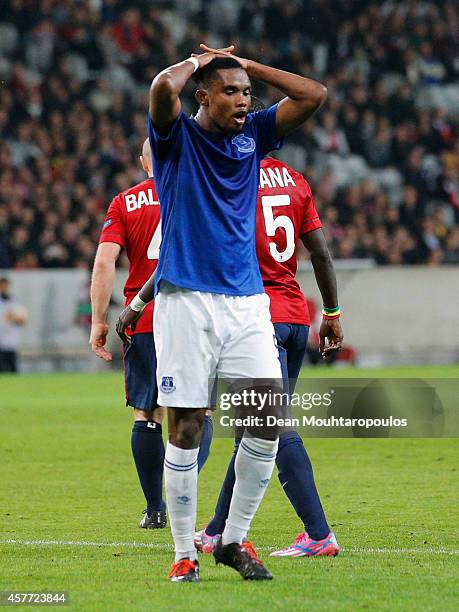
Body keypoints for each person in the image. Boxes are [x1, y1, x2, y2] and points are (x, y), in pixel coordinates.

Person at [133, 43, 328, 582]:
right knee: (188, 428)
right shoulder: (175, 138)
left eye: (247, 94)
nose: (244, 101)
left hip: (247, 303)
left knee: (265, 426)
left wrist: (247, 67)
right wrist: (203, 61)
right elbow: (159, 88)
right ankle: (182, 552)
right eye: (231, 92)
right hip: (186, 301)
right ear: (202, 95)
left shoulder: (253, 136)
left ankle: (234, 542)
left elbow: (314, 94)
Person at [195, 155, 343, 558]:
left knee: (272, 426)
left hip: (255, 319)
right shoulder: (295, 180)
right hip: (296, 317)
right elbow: (321, 254)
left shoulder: (227, 178)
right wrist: (331, 314)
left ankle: (319, 533)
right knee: (252, 429)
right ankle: (216, 530)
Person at [89, 139, 212, 530]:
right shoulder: (201, 193)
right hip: (194, 317)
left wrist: (99, 320)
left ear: (145, 163)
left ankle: (155, 508)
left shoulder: (124, 202)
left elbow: (105, 260)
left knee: (147, 412)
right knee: (198, 411)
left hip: (142, 319)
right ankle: (182, 485)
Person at [0, 276, 28, 373]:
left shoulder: (16, 302)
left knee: (13, 370)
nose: (4, 288)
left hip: (12, 341)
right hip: (1, 341)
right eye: (2, 286)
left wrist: (13, 319)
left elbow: (23, 321)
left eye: (5, 285)